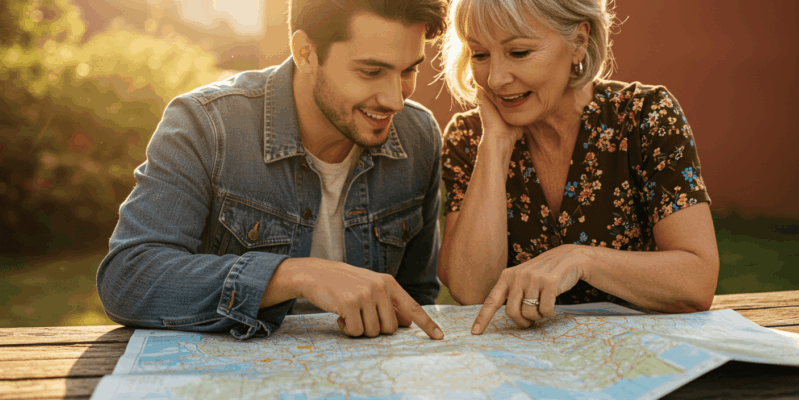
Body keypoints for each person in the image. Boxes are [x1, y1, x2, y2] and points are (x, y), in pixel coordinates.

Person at [97, 0, 448, 340]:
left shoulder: (419, 136)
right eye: (371, 72)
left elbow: (416, 295)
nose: (395, 100)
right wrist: (295, 275)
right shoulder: (205, 126)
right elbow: (129, 278)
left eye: (408, 70)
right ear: (306, 52)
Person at [436, 0, 720, 335]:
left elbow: (697, 281)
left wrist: (581, 260)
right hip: (523, 370)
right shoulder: (470, 137)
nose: (496, 79)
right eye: (480, 55)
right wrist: (496, 143)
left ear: (579, 43)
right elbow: (470, 290)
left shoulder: (645, 117)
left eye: (519, 52)